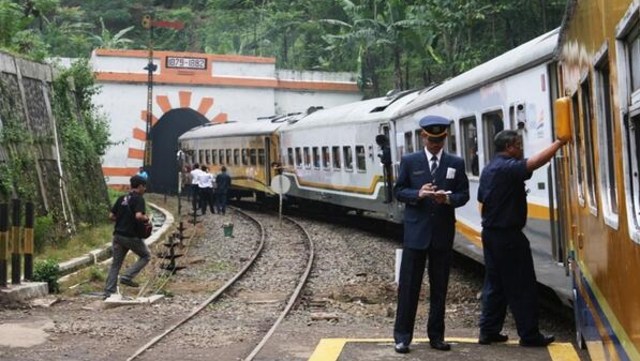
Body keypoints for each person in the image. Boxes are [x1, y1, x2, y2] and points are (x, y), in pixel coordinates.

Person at [477, 130, 567, 347]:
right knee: (522, 285)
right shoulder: (506, 167)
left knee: (495, 284)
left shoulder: (489, 168)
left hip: (491, 234)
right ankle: (529, 335)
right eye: (518, 145)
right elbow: (533, 164)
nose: (521, 149)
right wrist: (559, 143)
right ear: (509, 147)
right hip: (508, 236)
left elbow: (482, 198)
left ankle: (488, 330)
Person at [393, 115, 470, 354]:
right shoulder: (410, 161)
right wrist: (418, 193)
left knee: (440, 288)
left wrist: (447, 198)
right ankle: (403, 337)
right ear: (423, 136)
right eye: (432, 139)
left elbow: (464, 194)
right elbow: (398, 191)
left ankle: (436, 336)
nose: (436, 144)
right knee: (409, 287)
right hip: (416, 235)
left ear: (445, 137)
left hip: (442, 235)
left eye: (440, 140)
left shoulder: (455, 163)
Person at [103, 175, 151, 299]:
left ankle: (108, 292)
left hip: (118, 235)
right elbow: (139, 216)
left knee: (116, 264)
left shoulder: (121, 198)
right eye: (144, 187)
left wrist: (123, 220)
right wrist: (147, 218)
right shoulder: (139, 199)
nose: (145, 189)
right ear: (140, 186)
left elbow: (111, 216)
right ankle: (127, 276)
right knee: (146, 255)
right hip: (131, 236)